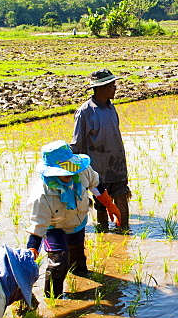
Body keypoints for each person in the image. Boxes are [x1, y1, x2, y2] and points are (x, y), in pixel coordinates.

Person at [25, 140, 120, 297]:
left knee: (78, 260)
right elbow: (38, 226)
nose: (68, 173)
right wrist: (33, 249)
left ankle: (81, 284)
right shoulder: (41, 195)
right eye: (62, 170)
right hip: (54, 227)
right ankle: (54, 299)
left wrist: (110, 205)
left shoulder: (81, 172)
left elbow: (96, 186)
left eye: (68, 168)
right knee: (59, 262)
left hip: (77, 223)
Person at [71, 69, 130, 231]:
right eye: (112, 85)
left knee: (122, 198)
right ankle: (103, 231)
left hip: (117, 166)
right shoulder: (85, 112)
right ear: (101, 88)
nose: (115, 88)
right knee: (101, 204)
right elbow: (77, 145)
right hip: (98, 170)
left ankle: (124, 231)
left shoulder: (111, 108)